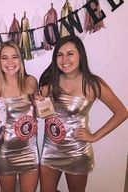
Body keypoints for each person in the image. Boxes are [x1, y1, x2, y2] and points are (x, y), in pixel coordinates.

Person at [38, 35, 128, 192]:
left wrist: (95, 136)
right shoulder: (50, 81)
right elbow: (45, 116)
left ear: (80, 55)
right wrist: (40, 104)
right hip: (51, 148)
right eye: (59, 54)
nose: (64, 59)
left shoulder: (93, 84)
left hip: (77, 150)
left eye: (70, 53)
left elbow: (121, 112)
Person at [0, 41, 39, 192]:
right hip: (6, 150)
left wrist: (42, 104)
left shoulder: (31, 82)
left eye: (15, 57)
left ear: (21, 60)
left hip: (29, 149)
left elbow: (39, 112)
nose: (10, 62)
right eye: (4, 58)